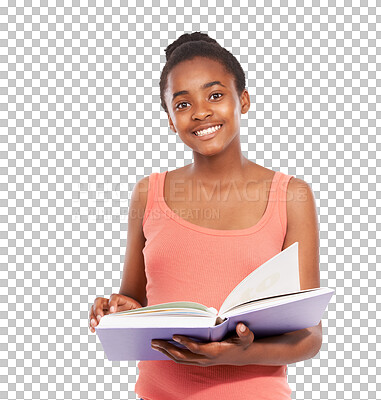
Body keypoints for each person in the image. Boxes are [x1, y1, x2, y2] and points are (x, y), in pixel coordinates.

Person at [89, 31, 322, 400]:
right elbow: (135, 300)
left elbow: (309, 337)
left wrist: (240, 352)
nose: (200, 112)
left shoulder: (291, 195)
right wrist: (118, 310)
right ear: (169, 119)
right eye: (182, 104)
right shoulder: (149, 193)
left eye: (215, 95)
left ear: (242, 100)